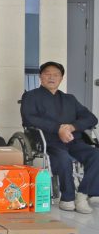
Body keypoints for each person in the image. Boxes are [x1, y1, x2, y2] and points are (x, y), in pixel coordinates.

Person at [20, 61, 99, 213]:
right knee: (63, 159)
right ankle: (67, 197)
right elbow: (29, 118)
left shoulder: (70, 99)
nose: (52, 77)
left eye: (56, 75)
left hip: (73, 140)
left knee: (96, 154)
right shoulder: (30, 96)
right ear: (40, 77)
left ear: (61, 78)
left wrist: (71, 127)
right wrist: (58, 129)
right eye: (47, 74)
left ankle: (83, 194)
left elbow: (91, 118)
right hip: (49, 142)